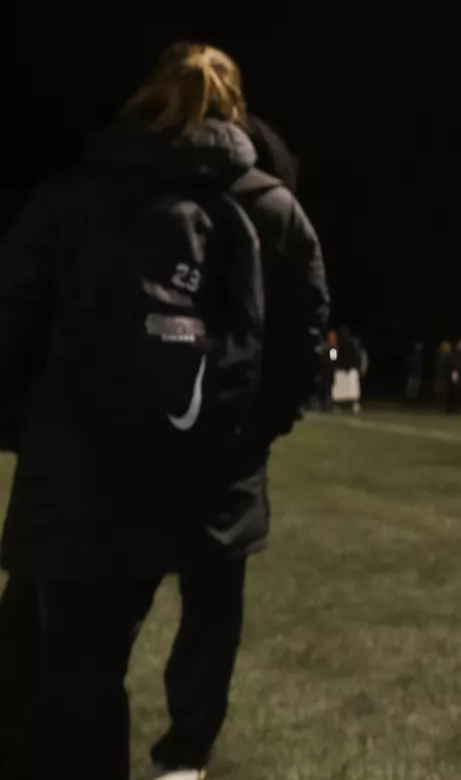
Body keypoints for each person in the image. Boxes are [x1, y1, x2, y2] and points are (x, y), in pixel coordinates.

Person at [0, 42, 328, 780]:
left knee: (72, 675)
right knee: (207, 616)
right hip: (214, 471)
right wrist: (245, 435)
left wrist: (36, 431)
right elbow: (303, 347)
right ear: (238, 106)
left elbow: (10, 318)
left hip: (84, 473)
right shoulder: (274, 208)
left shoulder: (78, 191)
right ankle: (184, 758)